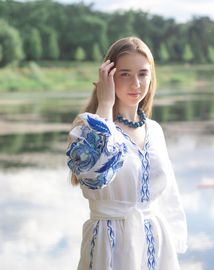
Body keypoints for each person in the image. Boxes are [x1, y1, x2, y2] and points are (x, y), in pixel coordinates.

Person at [66, 36, 188, 270]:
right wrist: (105, 104)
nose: (136, 84)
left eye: (142, 73)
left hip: (155, 242)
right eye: (125, 74)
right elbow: (95, 177)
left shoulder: (154, 130)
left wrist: (175, 240)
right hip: (109, 242)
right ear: (108, 76)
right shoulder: (86, 129)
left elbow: (169, 193)